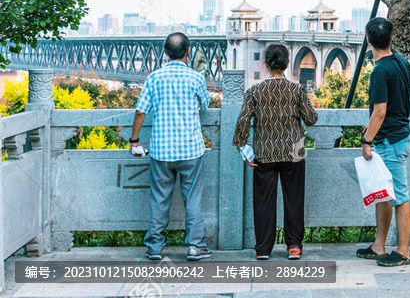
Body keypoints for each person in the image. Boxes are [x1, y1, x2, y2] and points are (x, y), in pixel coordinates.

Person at [129, 32, 212, 261]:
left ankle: (154, 247)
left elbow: (140, 111)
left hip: (161, 150)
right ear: (188, 52)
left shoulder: (154, 78)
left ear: (165, 52)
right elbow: (205, 104)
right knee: (192, 199)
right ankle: (195, 247)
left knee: (159, 198)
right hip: (191, 150)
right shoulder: (196, 78)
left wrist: (135, 141)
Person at [233, 42, 318, 260]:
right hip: (294, 152)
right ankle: (294, 247)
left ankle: (263, 249)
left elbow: (242, 121)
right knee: (294, 200)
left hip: (264, 152)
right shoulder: (297, 89)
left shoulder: (254, 91)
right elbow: (311, 119)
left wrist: (244, 150)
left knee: (263, 202)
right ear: (287, 63)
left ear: (266, 64)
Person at [355, 17, 410, 266]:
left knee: (399, 196)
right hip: (398, 134)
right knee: (384, 194)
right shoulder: (402, 63)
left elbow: (380, 111)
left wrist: (366, 140)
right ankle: (379, 246)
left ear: (368, 40)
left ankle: (403, 252)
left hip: (390, 140)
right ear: (391, 39)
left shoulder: (380, 71)